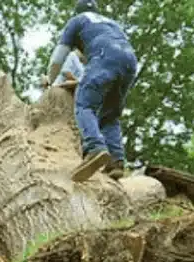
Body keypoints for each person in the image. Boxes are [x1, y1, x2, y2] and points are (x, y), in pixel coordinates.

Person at [47, 0, 138, 182]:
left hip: (104, 56)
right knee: (110, 114)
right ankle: (116, 161)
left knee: (84, 105)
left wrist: (51, 82)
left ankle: (95, 148)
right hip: (130, 61)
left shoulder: (77, 21)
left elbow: (57, 59)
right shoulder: (111, 24)